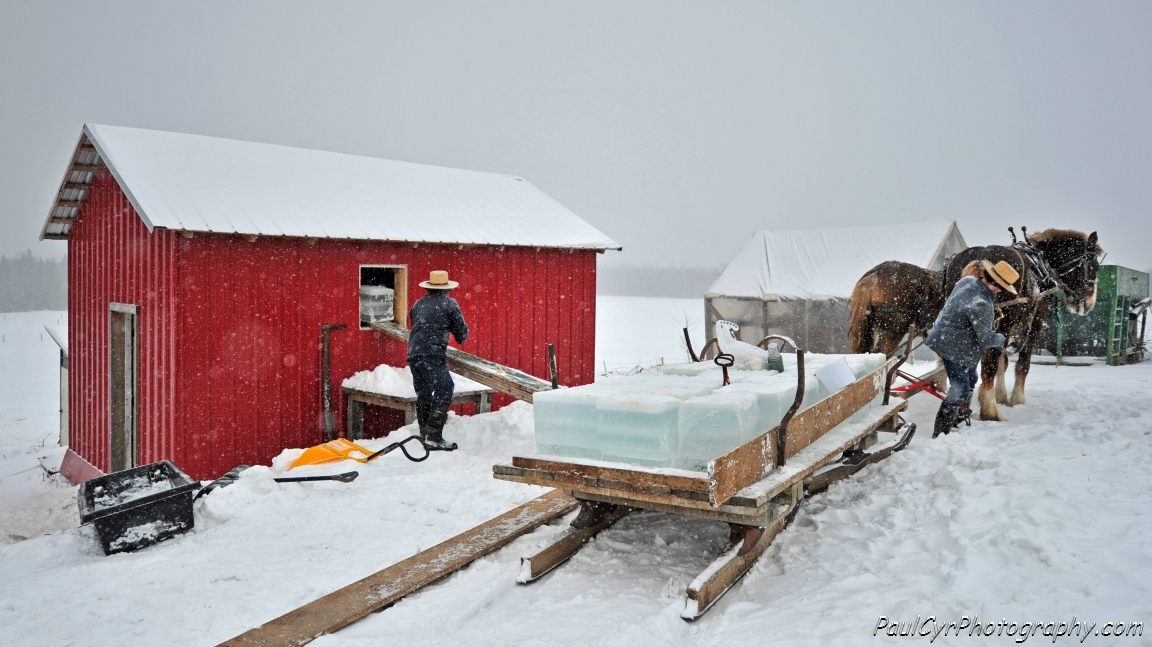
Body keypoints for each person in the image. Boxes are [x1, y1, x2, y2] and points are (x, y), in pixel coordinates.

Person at [925, 260, 1019, 438]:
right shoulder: (980, 302)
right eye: (1001, 287)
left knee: (972, 378)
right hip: (955, 347)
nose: (1001, 291)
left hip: (945, 337)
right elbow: (986, 338)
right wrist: (1004, 338)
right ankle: (941, 433)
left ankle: (959, 417)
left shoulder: (967, 281)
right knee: (959, 389)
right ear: (994, 283)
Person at [408, 270, 469, 451]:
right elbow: (461, 333)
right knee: (445, 388)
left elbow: (419, 326)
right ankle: (433, 437)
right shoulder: (449, 304)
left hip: (414, 353)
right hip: (432, 354)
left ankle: (424, 434)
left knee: (424, 393)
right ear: (447, 289)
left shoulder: (418, 304)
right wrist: (459, 335)